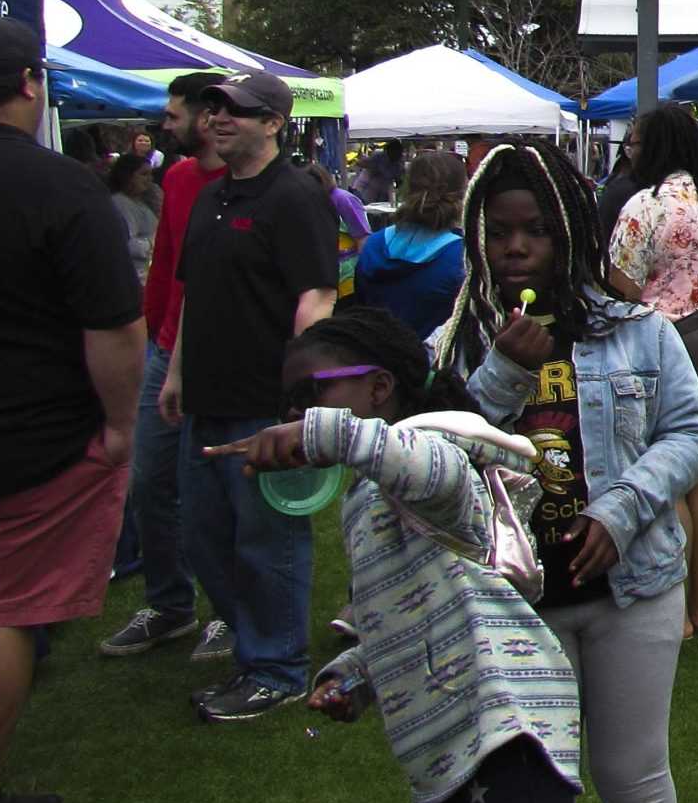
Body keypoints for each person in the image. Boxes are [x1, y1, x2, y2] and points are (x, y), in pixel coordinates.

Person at [215, 307, 647, 803]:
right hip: (440, 743)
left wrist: (320, 436)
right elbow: (399, 609)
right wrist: (354, 674)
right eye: (288, 405)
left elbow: (428, 470)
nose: (294, 413)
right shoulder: (362, 495)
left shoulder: (431, 452)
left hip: (501, 722)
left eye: (309, 393)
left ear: (378, 387)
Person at [432, 140, 698, 803]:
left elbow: (688, 431)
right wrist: (504, 374)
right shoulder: (467, 338)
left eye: (535, 232)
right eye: (499, 233)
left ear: (570, 234)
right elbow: (438, 458)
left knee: (631, 772)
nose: (516, 249)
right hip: (518, 602)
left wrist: (623, 510)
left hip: (631, 584)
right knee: (539, 792)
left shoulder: (636, 330)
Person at [0, 19, 145, 803]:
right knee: (3, 611)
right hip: (27, 442)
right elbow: (113, 331)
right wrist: (121, 428)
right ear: (28, 85)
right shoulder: (59, 187)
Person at [161, 70, 339, 722]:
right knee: (203, 537)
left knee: (268, 542)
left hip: (264, 401)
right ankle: (254, 646)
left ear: (273, 122)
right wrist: (177, 373)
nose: (219, 117)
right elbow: (191, 296)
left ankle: (277, 668)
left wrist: (299, 395)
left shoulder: (293, 197)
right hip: (205, 399)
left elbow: (316, 297)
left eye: (236, 109)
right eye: (213, 107)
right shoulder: (210, 198)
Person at [607, 102, 698, 640]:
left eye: (636, 143)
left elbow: (622, 286)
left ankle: (677, 614)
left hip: (662, 350)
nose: (631, 153)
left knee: (668, 480)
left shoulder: (646, 206)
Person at [99, 71, 231, 661]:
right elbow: (167, 267)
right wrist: (154, 332)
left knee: (223, 492)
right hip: (167, 350)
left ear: (207, 117)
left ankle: (231, 609)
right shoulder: (177, 180)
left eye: (174, 114)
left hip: (228, 359)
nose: (164, 125)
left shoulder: (249, 185)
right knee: (151, 481)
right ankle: (170, 604)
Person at [353, 148, 469, 340]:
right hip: (432, 365)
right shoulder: (461, 257)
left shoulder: (373, 245)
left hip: (373, 357)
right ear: (463, 193)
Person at [301, 157, 370, 300]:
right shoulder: (307, 201)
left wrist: (364, 272)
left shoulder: (343, 199)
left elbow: (362, 237)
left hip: (348, 274)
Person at [106, 153, 161, 281]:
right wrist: (154, 243)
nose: (149, 179)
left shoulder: (142, 203)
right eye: (143, 174)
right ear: (127, 176)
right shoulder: (119, 203)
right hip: (136, 276)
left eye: (150, 174)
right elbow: (126, 243)